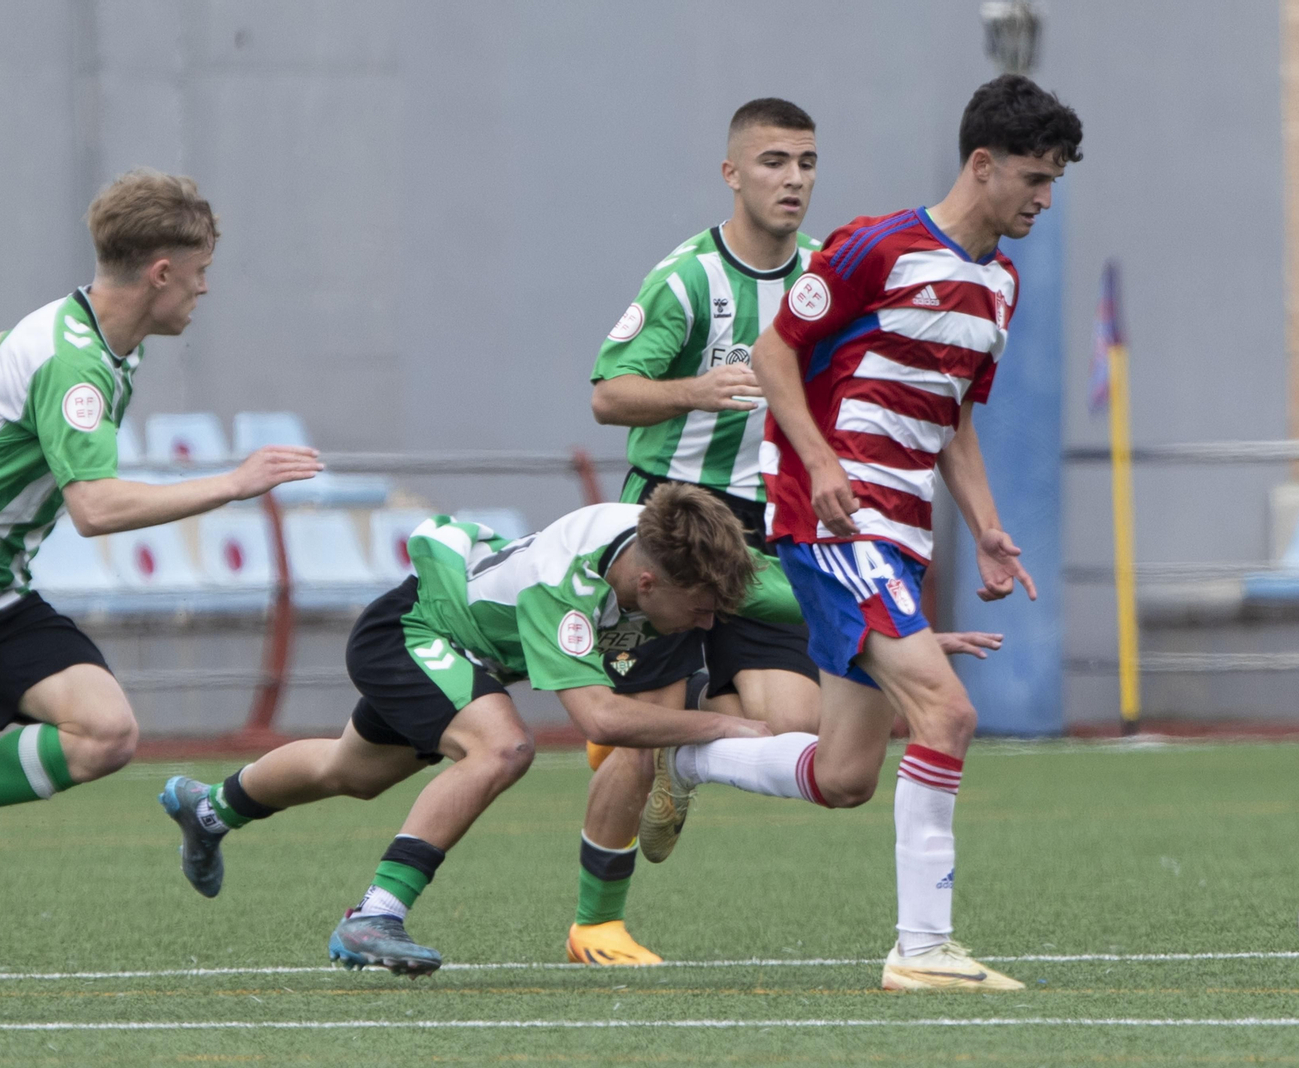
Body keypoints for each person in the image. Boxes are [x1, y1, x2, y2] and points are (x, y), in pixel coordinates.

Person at [638, 74, 1084, 992]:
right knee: (949, 713)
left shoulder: (999, 284)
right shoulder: (878, 247)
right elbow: (774, 353)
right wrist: (824, 463)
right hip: (830, 517)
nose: (1045, 199)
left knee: (845, 773)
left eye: (1054, 183)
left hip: (899, 532)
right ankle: (922, 951)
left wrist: (988, 530)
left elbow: (950, 413)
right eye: (1035, 179)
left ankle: (684, 756)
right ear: (982, 163)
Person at [159, 484, 781, 977]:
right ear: (648, 584)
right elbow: (601, 719)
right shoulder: (567, 584)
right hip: (412, 633)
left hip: (463, 656)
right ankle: (374, 916)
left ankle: (210, 809)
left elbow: (783, 595)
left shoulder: (674, 547)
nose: (709, 621)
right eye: (701, 609)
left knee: (349, 771)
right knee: (502, 747)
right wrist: (724, 723)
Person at [0, 169, 323, 863]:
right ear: (161, 273)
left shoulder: (77, 323)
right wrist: (233, 483)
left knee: (103, 733)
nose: (205, 287)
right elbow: (93, 509)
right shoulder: (78, 367)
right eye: (200, 271)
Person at [573, 97, 827, 965]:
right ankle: (594, 923)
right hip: (677, 519)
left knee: (799, 726)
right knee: (643, 726)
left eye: (805, 162)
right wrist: (695, 389)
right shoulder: (686, 278)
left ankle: (679, 760)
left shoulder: (826, 278)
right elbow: (609, 394)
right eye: (773, 162)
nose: (792, 179)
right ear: (732, 173)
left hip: (766, 526)